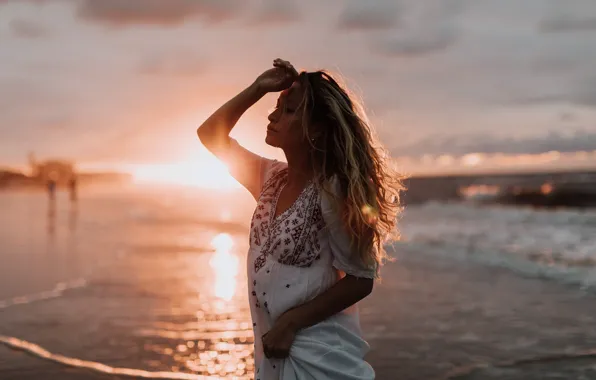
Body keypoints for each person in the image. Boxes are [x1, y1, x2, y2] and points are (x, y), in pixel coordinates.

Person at [197, 58, 402, 379]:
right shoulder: (269, 177)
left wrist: (292, 323)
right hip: (274, 350)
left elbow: (361, 278)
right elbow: (211, 134)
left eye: (290, 110)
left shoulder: (333, 190)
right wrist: (258, 88)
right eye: (277, 106)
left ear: (317, 129)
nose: (273, 115)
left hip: (318, 356)